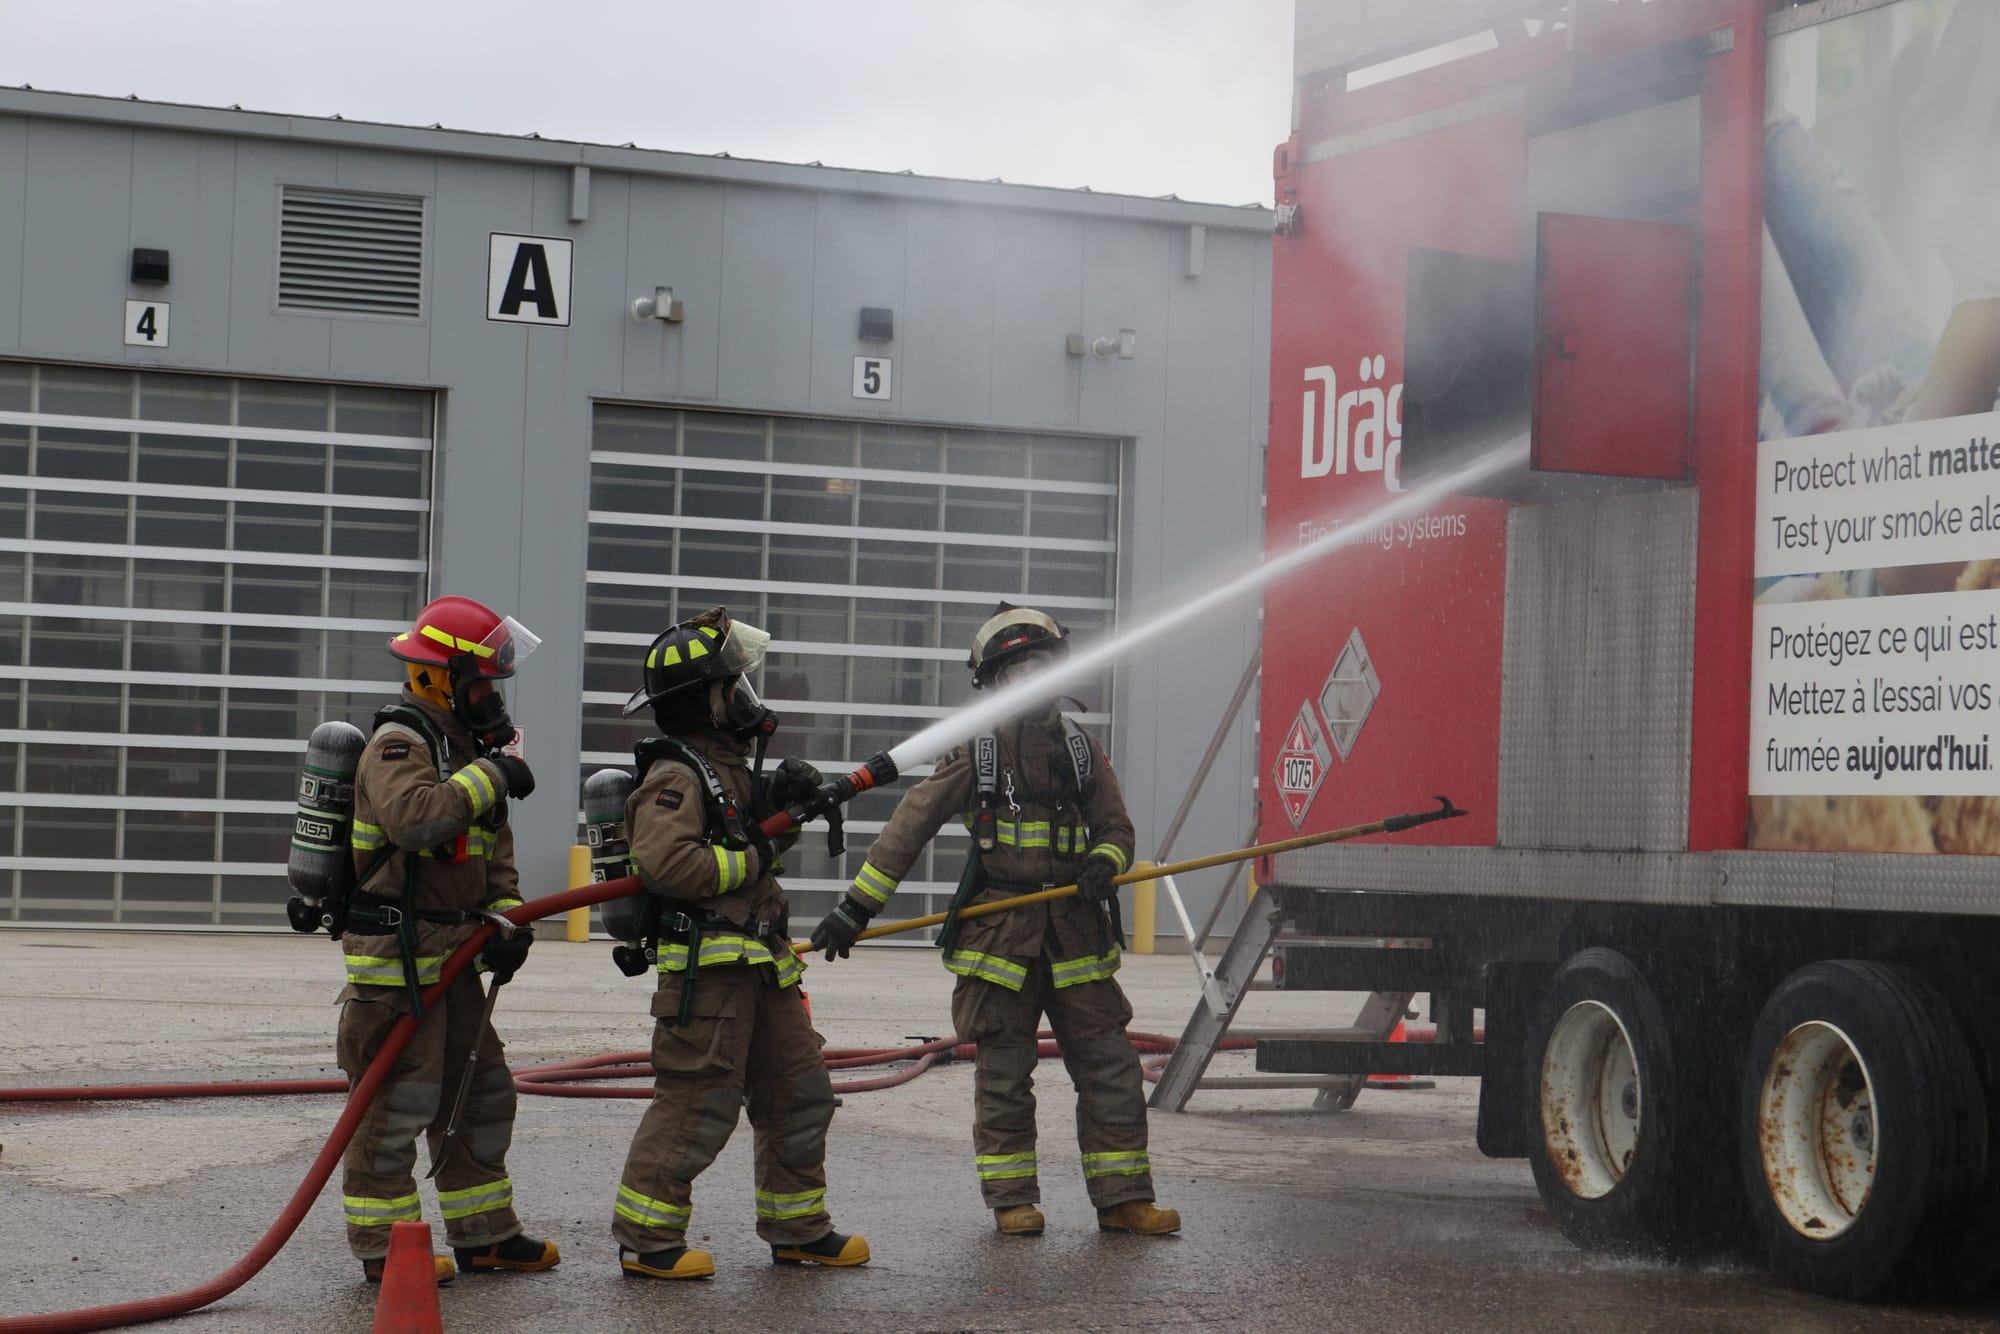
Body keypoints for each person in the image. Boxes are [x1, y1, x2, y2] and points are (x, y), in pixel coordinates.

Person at [810, 604, 1179, 1238]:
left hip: (1076, 935)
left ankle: (1124, 1198)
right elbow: (910, 826)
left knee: (1110, 1066)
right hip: (1000, 941)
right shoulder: (976, 751)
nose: (1032, 678)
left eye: (1041, 664)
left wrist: (1103, 859)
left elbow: (1117, 827)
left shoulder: (1082, 751)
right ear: (996, 681)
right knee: (1005, 1077)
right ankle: (1012, 1198)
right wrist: (855, 908)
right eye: (1018, 670)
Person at [611, 606, 869, 1279]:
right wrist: (756, 854)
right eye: (736, 688)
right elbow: (668, 865)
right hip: (709, 973)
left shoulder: (726, 769)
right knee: (700, 1102)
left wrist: (785, 802)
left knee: (799, 1092)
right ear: (707, 702)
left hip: (763, 968)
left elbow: (750, 840)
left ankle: (797, 1227)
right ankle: (647, 1237)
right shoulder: (677, 775)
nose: (747, 700)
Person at [336, 595, 559, 1284]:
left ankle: (485, 1233)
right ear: (439, 679)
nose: (490, 697)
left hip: (454, 959)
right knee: (396, 1103)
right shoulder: (400, 743)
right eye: (481, 682)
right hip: (395, 964)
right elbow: (413, 820)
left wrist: (508, 917)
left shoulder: (463, 753)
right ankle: (386, 1249)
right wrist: (491, 774)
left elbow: (493, 854)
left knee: (480, 1091)